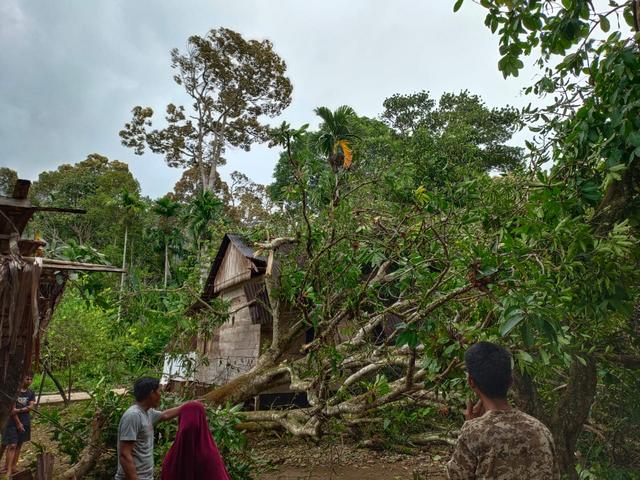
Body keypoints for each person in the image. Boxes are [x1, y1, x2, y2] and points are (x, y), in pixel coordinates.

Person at [447, 342, 558, 479]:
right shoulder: (540, 430)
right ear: (510, 381)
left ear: (471, 381)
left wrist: (471, 424)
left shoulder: (473, 433)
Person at [116, 377, 188, 480]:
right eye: (159, 391)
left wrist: (188, 406)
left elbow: (165, 415)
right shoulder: (133, 416)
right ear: (151, 393)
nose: (160, 395)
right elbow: (125, 454)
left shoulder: (147, 412)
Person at [160, 401, 231, 480]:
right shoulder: (209, 453)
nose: (190, 436)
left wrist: (183, 408)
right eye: (186, 431)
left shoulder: (172, 458)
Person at [1, 372, 35, 476]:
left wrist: (19, 410)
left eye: (30, 379)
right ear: (21, 379)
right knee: (12, 445)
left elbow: (31, 406)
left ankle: (13, 466)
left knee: (19, 445)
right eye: (26, 379)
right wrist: (18, 423)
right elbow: (12, 411)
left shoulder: (31, 392)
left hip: (25, 421)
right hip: (12, 423)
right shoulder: (15, 392)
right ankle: (8, 469)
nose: (28, 381)